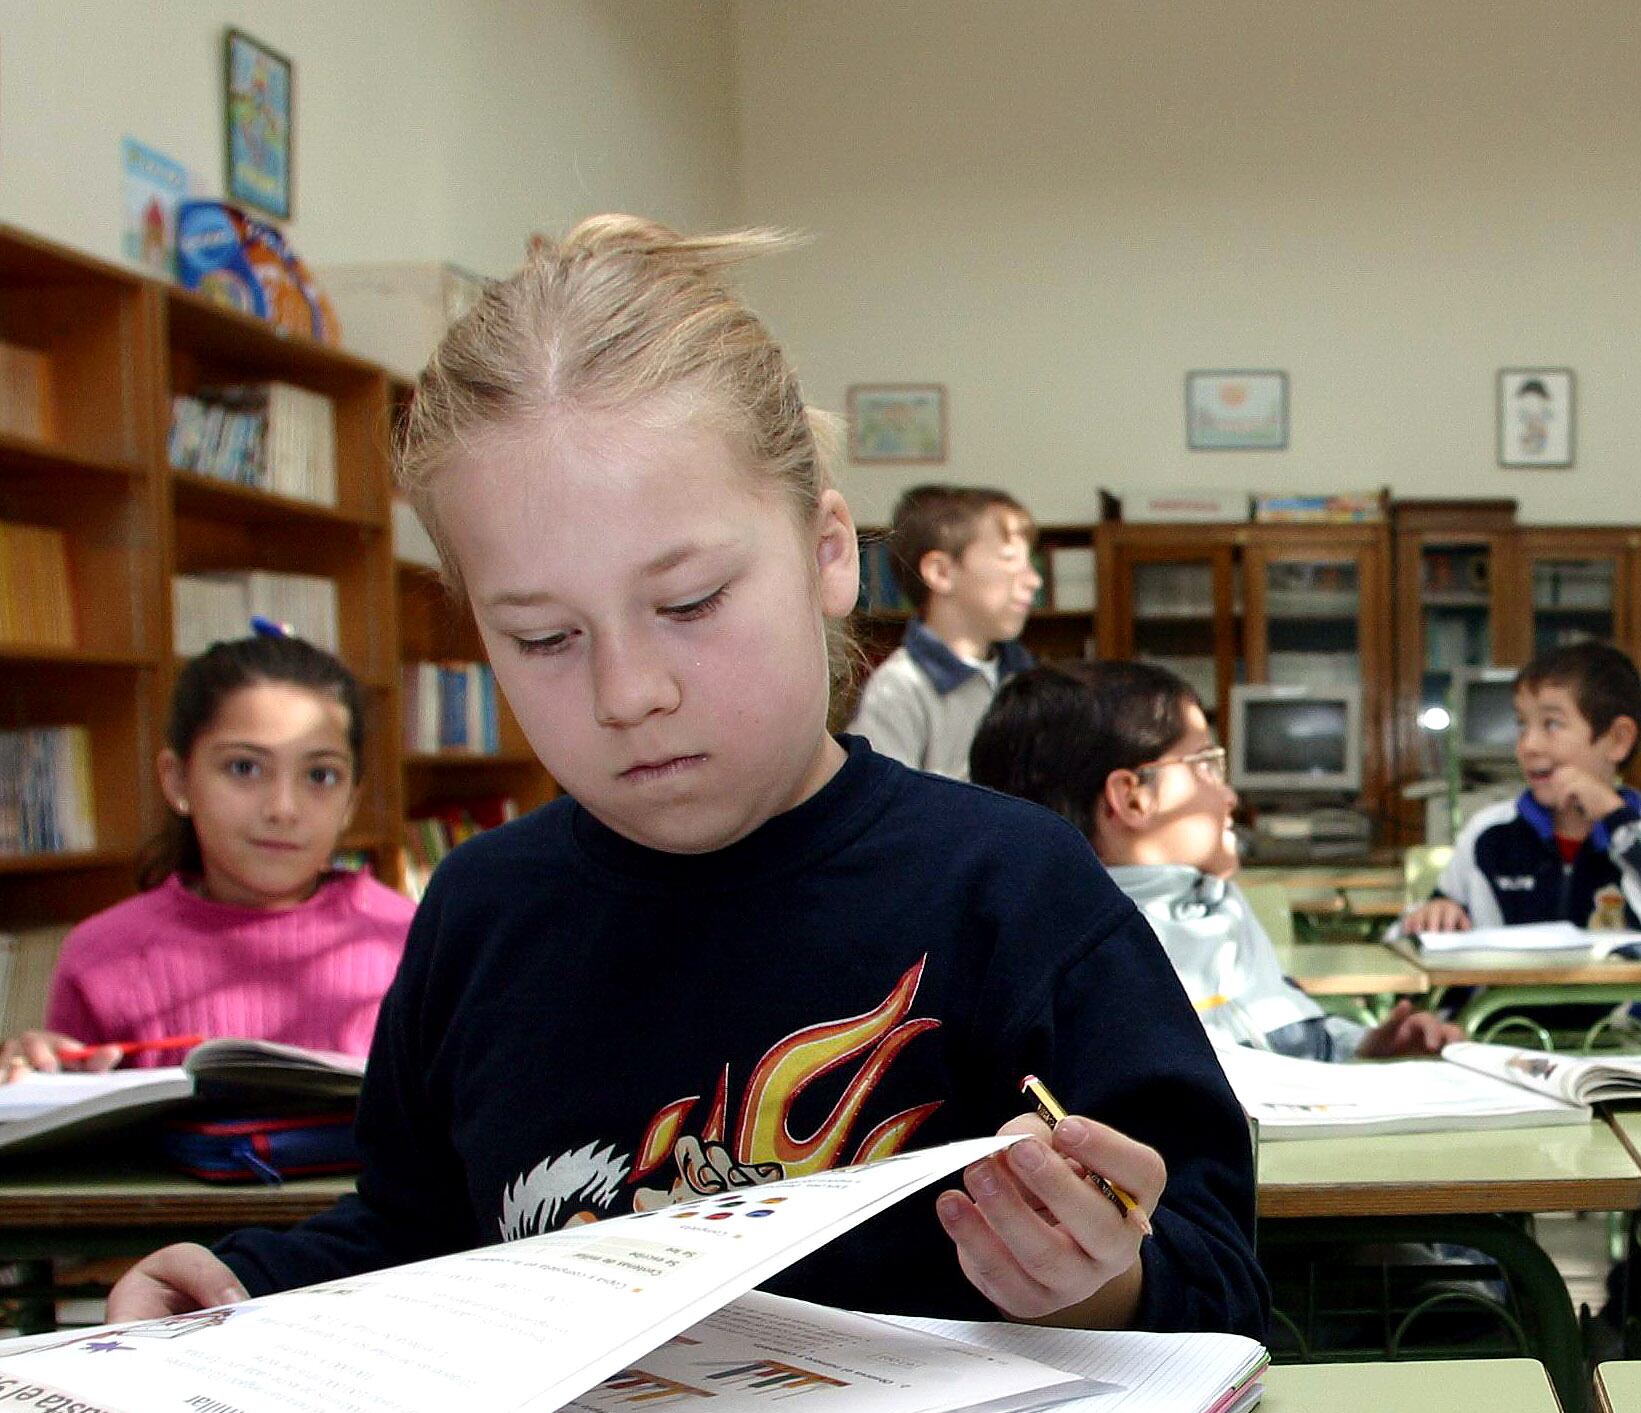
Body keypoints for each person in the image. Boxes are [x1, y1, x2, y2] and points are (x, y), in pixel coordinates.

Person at [102, 216, 1260, 1336]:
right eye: (544, 639)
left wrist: (1100, 1283)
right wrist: (240, 1276)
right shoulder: (480, 910)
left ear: (826, 554)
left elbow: (1223, 1284)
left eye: (691, 603)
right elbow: (413, 1234)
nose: (626, 692)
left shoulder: (1011, 890)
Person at [972, 660, 1460, 1059]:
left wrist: (1369, 1048)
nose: (1228, 794)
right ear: (1132, 797)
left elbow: (1294, 1036)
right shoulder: (1072, 951)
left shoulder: (1215, 902)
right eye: (1204, 765)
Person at [3, 634, 411, 1078]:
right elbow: (69, 1131)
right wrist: (35, 1083)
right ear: (178, 780)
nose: (283, 809)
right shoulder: (100, 957)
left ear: (351, 800)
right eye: (244, 768)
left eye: (320, 775)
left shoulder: (413, 941)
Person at [1401, 640, 1641, 934]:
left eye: (1552, 724)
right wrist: (1437, 915)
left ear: (1617, 740)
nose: (1528, 745)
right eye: (1521, 724)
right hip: (1505, 1006)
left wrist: (1616, 819)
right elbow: (1436, 920)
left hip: (1620, 1007)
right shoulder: (1489, 835)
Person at [845, 484, 1040, 778]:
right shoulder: (899, 690)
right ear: (941, 572)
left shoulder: (1026, 675)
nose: (1033, 580)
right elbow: (883, 806)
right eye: (1009, 558)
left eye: (1030, 561)